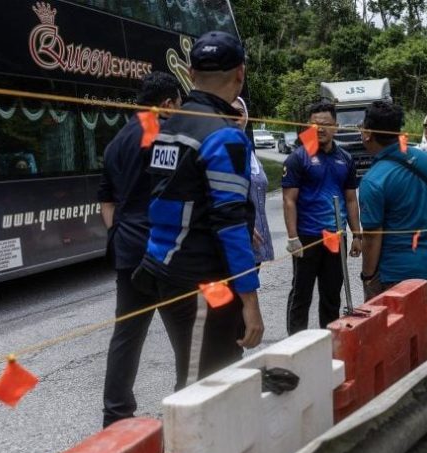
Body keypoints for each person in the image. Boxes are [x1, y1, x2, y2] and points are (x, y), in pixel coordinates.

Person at [132, 30, 264, 391]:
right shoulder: (225, 135)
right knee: (201, 387)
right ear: (240, 73)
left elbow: (175, 193)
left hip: (165, 267)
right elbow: (229, 223)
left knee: (208, 374)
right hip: (202, 279)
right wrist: (250, 300)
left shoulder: (170, 125)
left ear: (190, 74)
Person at [99, 71, 183, 428]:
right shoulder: (159, 134)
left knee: (127, 334)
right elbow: (171, 191)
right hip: (160, 249)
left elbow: (106, 202)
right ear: (167, 104)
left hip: (127, 249)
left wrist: (120, 233)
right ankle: (187, 400)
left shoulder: (116, 141)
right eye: (179, 105)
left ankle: (116, 412)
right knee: (185, 330)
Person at [281, 100, 361, 332]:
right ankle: (296, 342)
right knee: (301, 292)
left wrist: (357, 235)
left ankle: (329, 339)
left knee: (331, 294)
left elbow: (351, 199)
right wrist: (292, 237)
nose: (320, 129)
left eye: (326, 124)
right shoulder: (298, 158)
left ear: (335, 126)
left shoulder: (345, 159)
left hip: (335, 236)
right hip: (307, 236)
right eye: (315, 124)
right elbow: (289, 200)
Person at [358, 100, 427, 300]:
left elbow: (371, 237)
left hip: (394, 275)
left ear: (368, 133)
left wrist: (368, 276)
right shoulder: (425, 159)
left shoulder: (373, 180)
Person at [231, 96, 274, 265]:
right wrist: (242, 222)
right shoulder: (222, 150)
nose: (235, 117)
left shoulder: (249, 151)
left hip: (257, 235)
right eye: (229, 112)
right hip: (238, 235)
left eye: (239, 112)